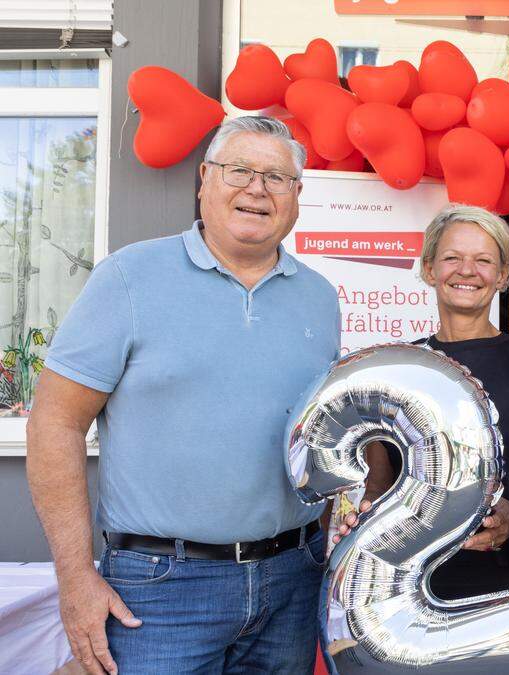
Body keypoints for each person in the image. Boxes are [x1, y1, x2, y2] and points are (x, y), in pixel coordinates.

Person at [26, 116, 339, 674]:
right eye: (239, 170)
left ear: (296, 196)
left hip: (292, 577)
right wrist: (75, 578)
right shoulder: (128, 278)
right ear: (203, 179)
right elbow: (55, 424)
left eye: (276, 177)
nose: (256, 189)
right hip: (160, 590)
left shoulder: (319, 298)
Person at [337, 203, 509, 600]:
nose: (467, 270)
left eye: (483, 260)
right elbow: (378, 487)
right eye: (452, 257)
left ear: (503, 275)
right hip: (409, 589)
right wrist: (361, 515)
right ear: (428, 269)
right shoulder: (396, 370)